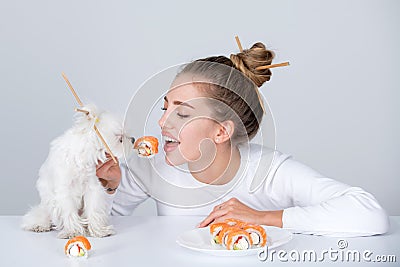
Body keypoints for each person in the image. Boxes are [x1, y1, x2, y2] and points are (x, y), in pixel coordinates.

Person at [96, 42, 389, 236]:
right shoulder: (154, 167)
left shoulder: (271, 171)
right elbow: (99, 225)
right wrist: (106, 188)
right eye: (165, 108)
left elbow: (369, 214)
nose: (162, 122)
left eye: (182, 114)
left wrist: (261, 218)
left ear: (221, 132)